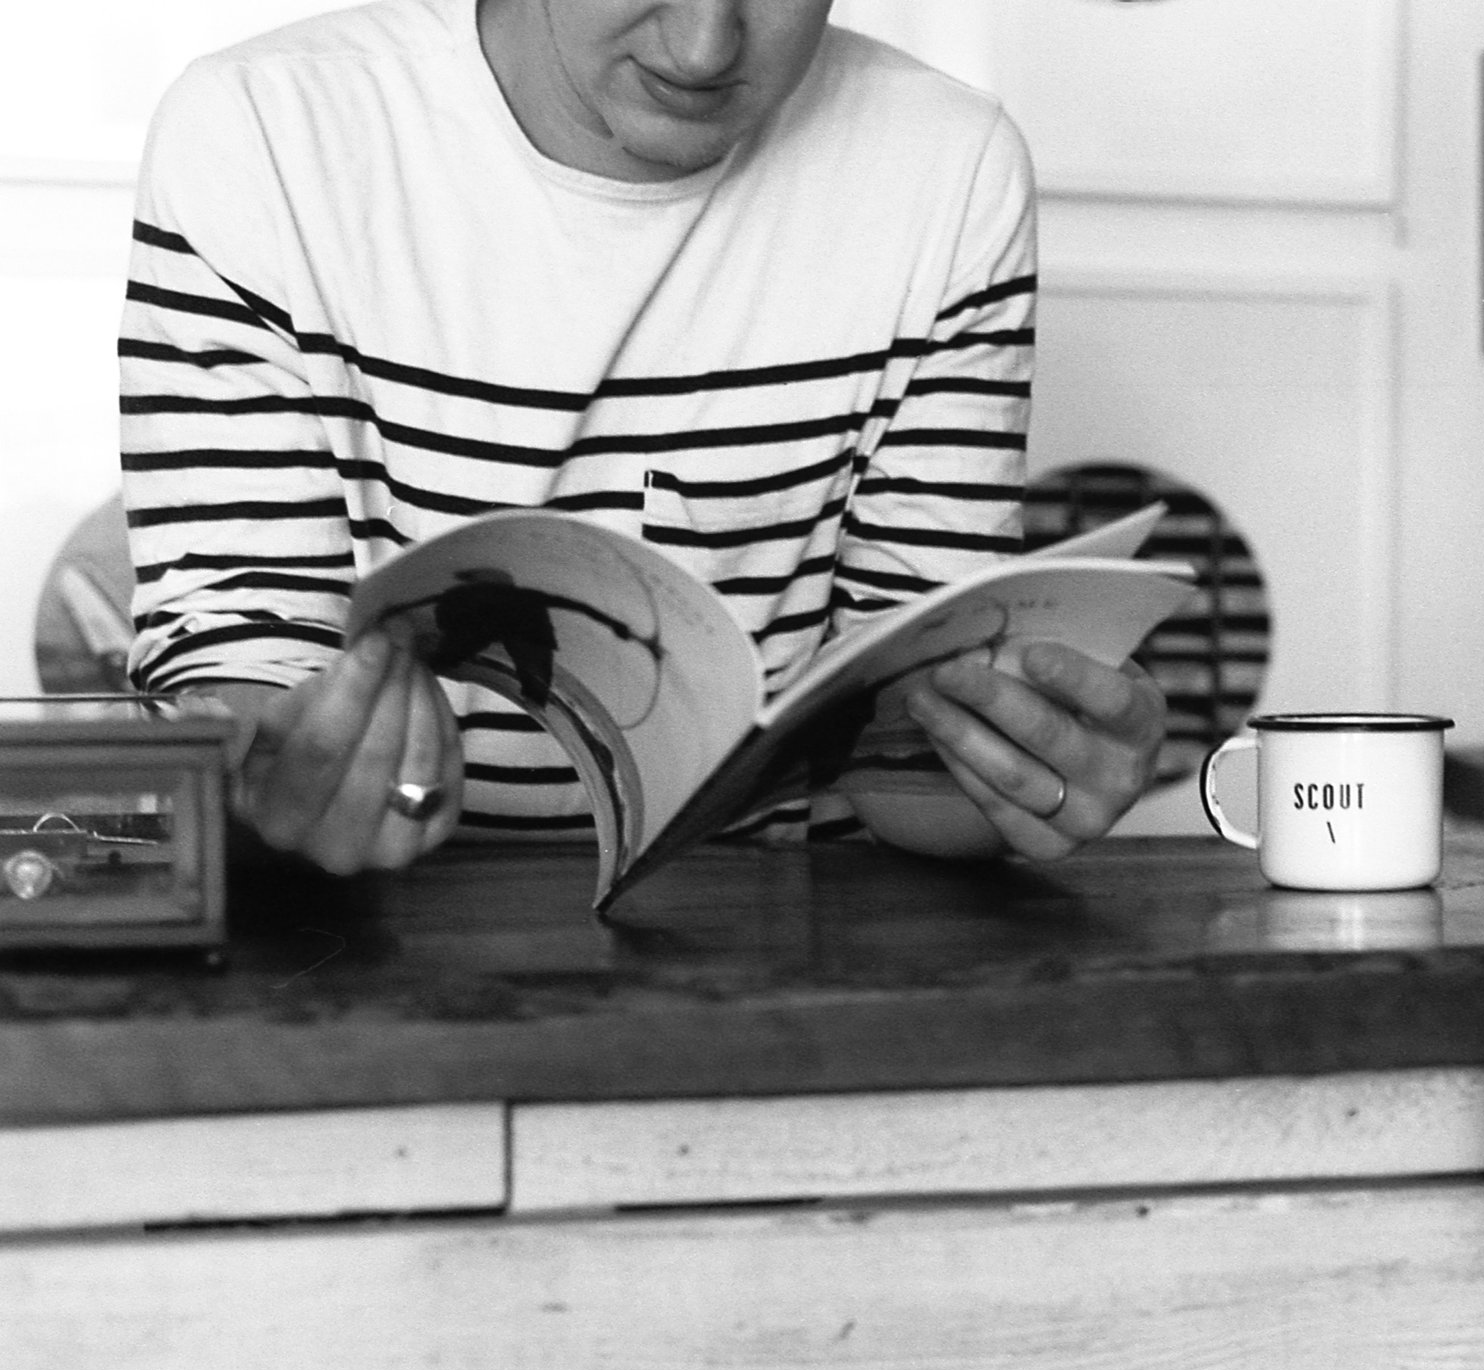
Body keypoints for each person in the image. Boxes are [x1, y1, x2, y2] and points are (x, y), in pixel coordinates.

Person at [118, 0, 1167, 876]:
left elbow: (905, 759)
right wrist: (282, 795)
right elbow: (234, 683)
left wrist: (1031, 767)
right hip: (372, 962)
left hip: (773, 960)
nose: (708, 45)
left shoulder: (948, 168)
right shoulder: (263, 133)